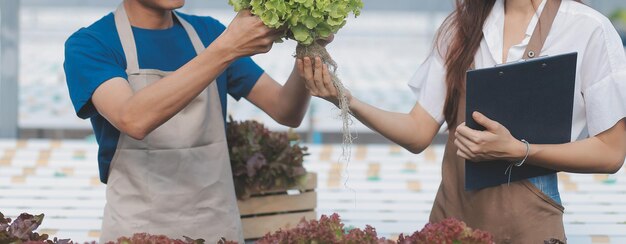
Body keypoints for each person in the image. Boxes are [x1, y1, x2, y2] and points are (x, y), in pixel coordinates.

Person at [301, 0, 626, 242]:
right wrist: (345, 100)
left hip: (531, 225)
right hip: (452, 223)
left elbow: (611, 153)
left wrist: (521, 151)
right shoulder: (463, 25)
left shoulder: (587, 28)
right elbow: (418, 132)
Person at [63, 0, 328, 242]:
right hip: (136, 231)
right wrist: (226, 49)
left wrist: (310, 48)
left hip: (216, 227)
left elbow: (286, 110)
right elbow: (133, 119)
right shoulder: (91, 44)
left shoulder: (208, 34)